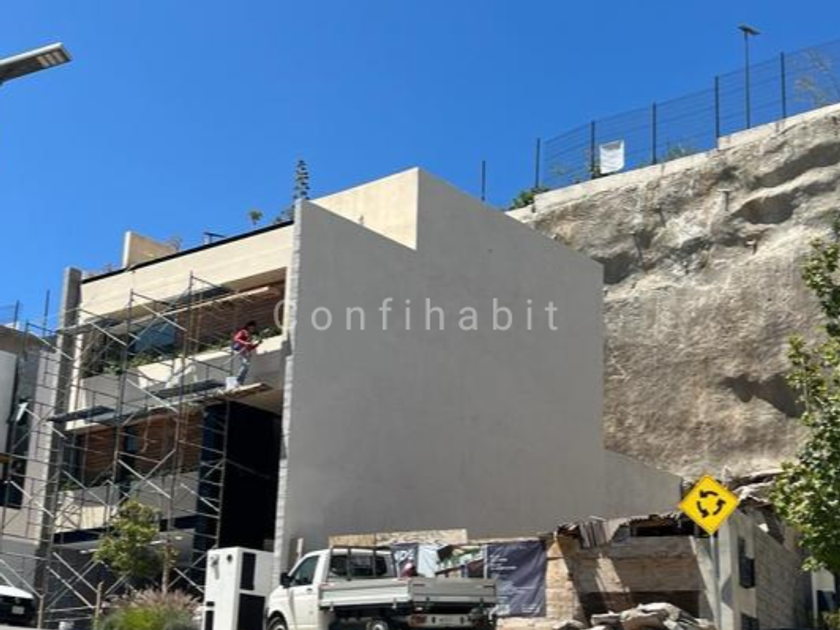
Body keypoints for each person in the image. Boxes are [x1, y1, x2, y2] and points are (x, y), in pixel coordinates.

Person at [232, 320, 262, 385]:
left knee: (246, 367)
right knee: (245, 365)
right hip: (241, 349)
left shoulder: (249, 336)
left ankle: (240, 381)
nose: (253, 329)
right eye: (252, 327)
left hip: (246, 351)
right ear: (248, 326)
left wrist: (257, 344)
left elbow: (250, 347)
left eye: (254, 328)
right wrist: (245, 342)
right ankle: (238, 380)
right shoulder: (243, 332)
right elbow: (236, 338)